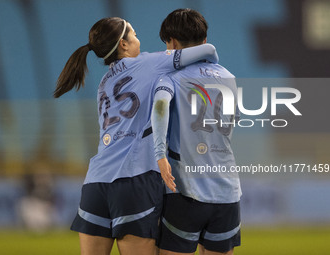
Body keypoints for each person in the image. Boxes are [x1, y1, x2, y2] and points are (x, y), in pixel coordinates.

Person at [54, 17, 218, 255]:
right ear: (123, 43)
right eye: (135, 34)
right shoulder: (151, 63)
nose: (138, 39)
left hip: (95, 182)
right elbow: (208, 50)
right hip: (133, 180)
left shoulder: (105, 81)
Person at [151, 9, 242, 255]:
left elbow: (159, 107)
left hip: (185, 190)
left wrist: (159, 154)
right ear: (203, 42)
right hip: (226, 191)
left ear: (173, 43)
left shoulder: (169, 77)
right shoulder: (228, 78)